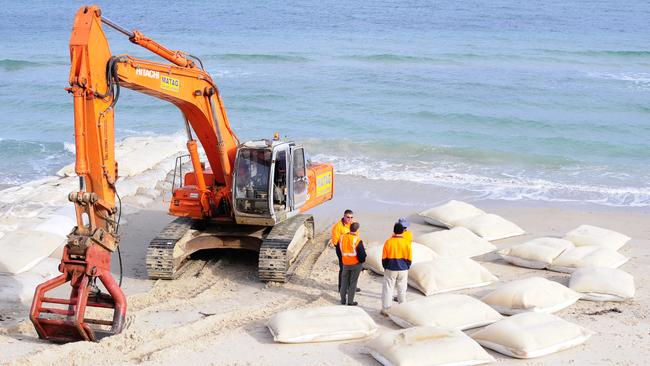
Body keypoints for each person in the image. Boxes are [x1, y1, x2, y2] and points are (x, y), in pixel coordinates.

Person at [380, 223, 412, 316]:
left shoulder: (388, 242)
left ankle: (386, 310)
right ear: (402, 231)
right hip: (403, 268)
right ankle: (402, 309)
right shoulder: (406, 242)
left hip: (391, 268)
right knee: (402, 289)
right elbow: (409, 258)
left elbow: (384, 258)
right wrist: (406, 266)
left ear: (394, 231)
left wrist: (385, 267)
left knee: (388, 289)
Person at [339, 222, 366, 306]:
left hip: (345, 263)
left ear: (349, 228)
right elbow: (362, 254)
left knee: (344, 282)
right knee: (353, 283)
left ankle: (343, 300)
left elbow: (340, 249)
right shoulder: (357, 240)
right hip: (355, 264)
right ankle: (350, 302)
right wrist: (361, 262)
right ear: (357, 230)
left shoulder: (342, 237)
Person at [331, 209, 357, 292]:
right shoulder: (338, 227)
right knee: (343, 269)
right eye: (348, 217)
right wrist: (342, 250)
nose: (350, 219)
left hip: (352, 250)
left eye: (351, 217)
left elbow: (357, 236)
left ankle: (351, 287)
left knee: (352, 269)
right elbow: (335, 242)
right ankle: (341, 288)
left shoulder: (353, 224)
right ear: (344, 216)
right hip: (341, 251)